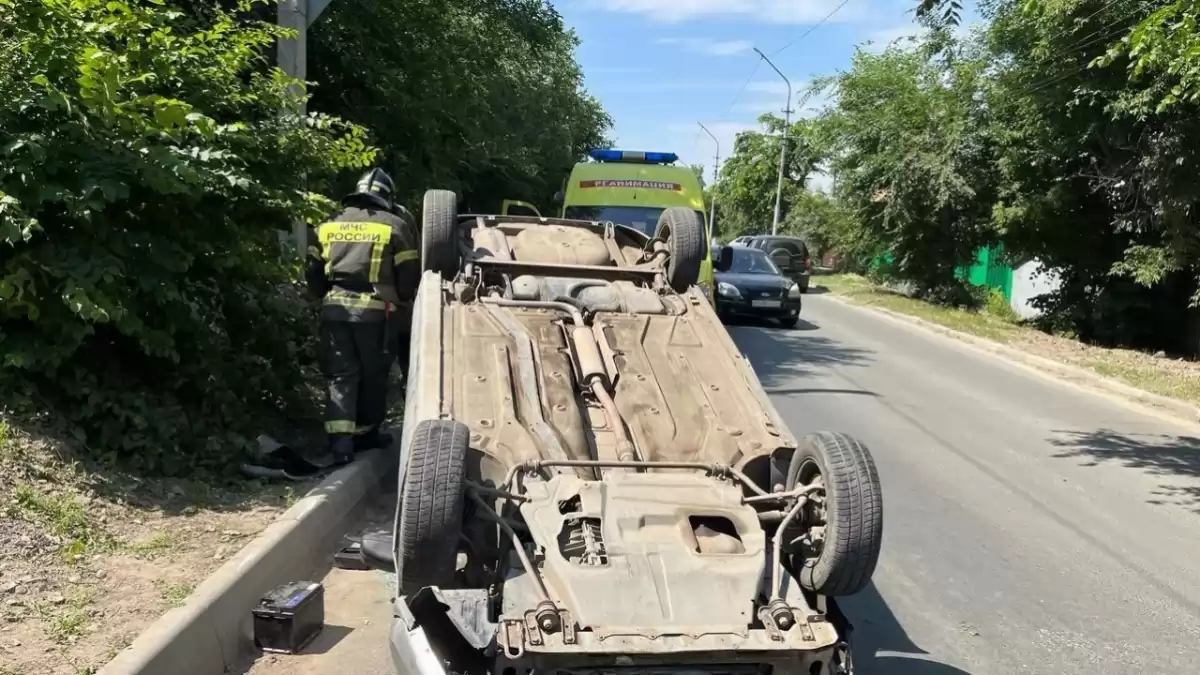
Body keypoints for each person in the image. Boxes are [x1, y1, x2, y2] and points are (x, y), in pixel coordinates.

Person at [305, 168, 420, 463]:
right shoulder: (395, 225)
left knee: (340, 375)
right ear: (388, 198)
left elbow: (313, 273)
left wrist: (325, 294)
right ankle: (366, 435)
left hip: (334, 309)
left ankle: (340, 446)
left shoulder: (327, 224)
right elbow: (408, 279)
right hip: (376, 315)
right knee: (373, 376)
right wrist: (404, 301)